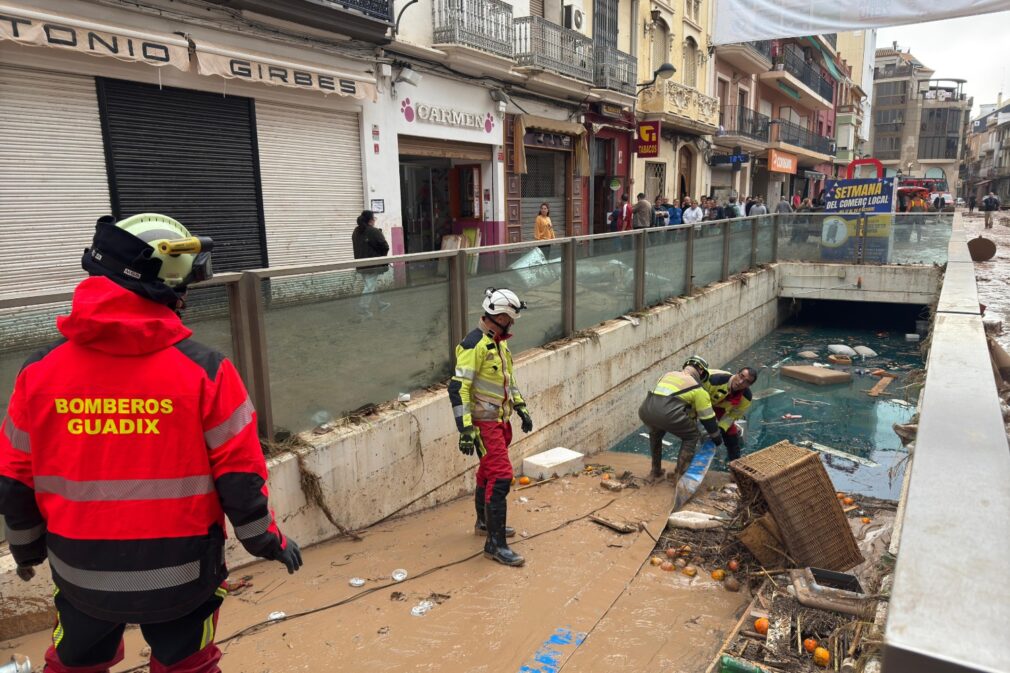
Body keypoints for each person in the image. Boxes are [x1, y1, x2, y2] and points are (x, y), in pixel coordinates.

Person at [0, 214, 302, 673]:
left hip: (81, 576)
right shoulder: (207, 371)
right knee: (189, 666)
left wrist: (26, 552)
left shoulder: (37, 373)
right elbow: (241, 477)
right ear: (156, 279)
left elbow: (14, 479)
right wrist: (267, 541)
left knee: (72, 665)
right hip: (182, 578)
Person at [448, 288, 533, 567]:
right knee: (500, 476)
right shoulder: (474, 346)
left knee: (487, 472)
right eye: (511, 319)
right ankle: (495, 545)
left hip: (501, 420)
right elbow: (458, 388)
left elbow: (509, 380)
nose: (513, 324)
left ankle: (484, 524)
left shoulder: (498, 342)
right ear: (500, 317)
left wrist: (520, 407)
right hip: (484, 424)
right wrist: (466, 428)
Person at [638, 355, 723, 484]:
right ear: (701, 372)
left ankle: (655, 472)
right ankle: (679, 475)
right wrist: (716, 437)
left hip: (646, 410)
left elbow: (672, 398)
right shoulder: (698, 389)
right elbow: (708, 419)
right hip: (667, 414)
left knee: (656, 434)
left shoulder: (668, 375)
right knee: (691, 436)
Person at [703, 367, 758, 461]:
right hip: (700, 399)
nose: (740, 382)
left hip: (719, 404)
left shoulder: (746, 398)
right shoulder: (714, 380)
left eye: (746, 382)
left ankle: (735, 462)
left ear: (749, 385)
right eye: (741, 376)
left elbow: (731, 416)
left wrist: (720, 430)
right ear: (736, 373)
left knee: (731, 433)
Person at [352, 210, 390, 318]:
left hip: (360, 264)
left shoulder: (356, 231)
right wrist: (381, 258)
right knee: (369, 286)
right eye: (374, 218)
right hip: (373, 265)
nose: (375, 220)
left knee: (370, 285)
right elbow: (385, 247)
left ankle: (380, 304)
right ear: (370, 220)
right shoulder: (374, 231)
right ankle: (363, 309)